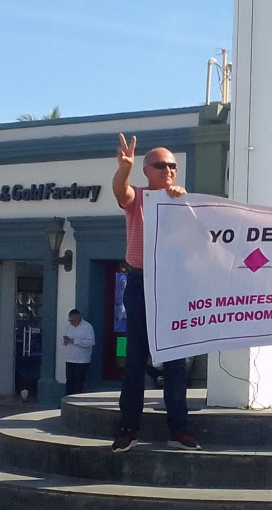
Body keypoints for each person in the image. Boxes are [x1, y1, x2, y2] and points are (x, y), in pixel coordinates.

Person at [110, 133, 200, 453]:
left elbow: (200, 240)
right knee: (136, 358)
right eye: (161, 165)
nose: (169, 171)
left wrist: (184, 203)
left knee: (175, 360)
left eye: (173, 165)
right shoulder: (139, 199)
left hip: (172, 284)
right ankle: (128, 426)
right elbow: (121, 191)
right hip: (139, 283)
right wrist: (124, 169)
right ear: (147, 170)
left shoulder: (181, 201)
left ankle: (179, 428)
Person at [62, 309, 96, 396]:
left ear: (78, 318)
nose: (71, 322)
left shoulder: (87, 327)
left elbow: (91, 342)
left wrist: (75, 341)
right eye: (70, 320)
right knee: (69, 381)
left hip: (82, 360)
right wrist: (64, 341)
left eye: (73, 320)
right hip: (70, 358)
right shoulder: (68, 327)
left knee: (79, 382)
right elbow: (64, 340)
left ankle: (77, 401)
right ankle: (67, 401)